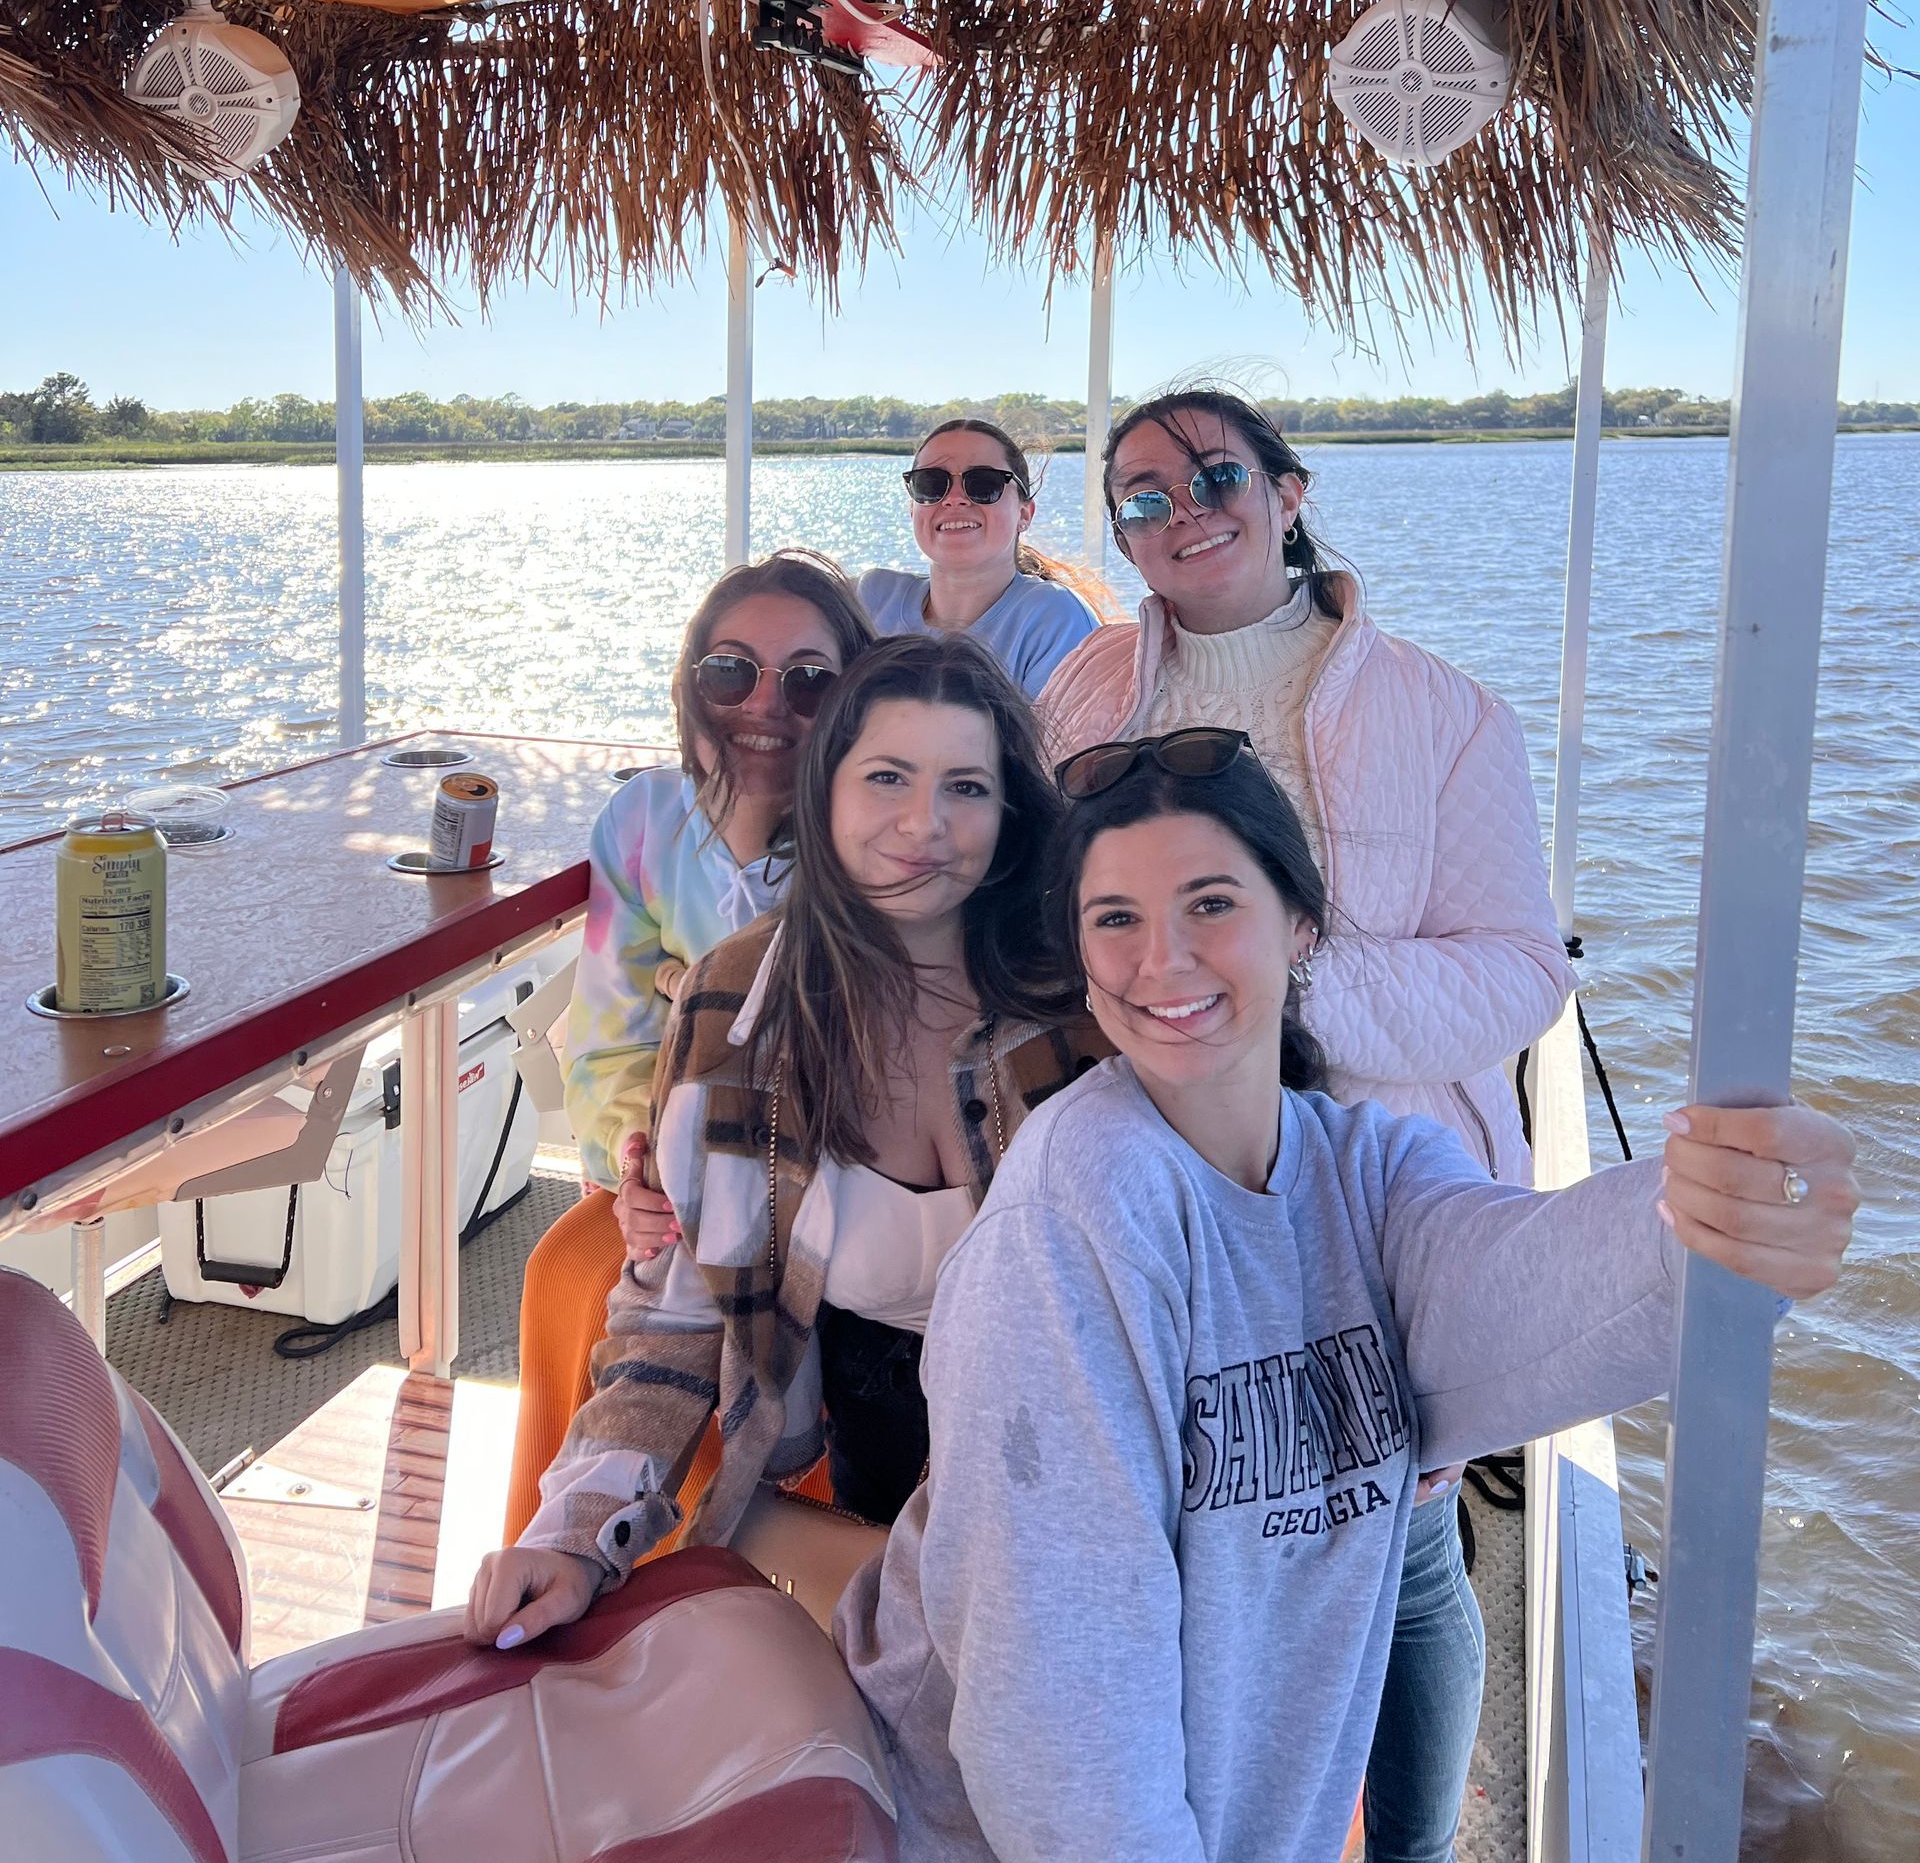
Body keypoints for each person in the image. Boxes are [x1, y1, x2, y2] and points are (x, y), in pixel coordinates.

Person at [837, 735, 1859, 1863]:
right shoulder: (1071, 1220)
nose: (1161, 959)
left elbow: (1531, 1297)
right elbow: (1060, 1712)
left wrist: (1714, 1231)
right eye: (1115, 918)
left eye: (1210, 903)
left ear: (1302, 927)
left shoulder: (1365, 1172)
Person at [1037, 385, 1567, 1858]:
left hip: (1371, 1198)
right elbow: (1040, 923)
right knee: (1188, 1530)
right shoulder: (1082, 695)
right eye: (1140, 494)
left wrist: (1276, 987)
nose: (1182, 508)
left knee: (1398, 1545)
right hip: (1151, 1180)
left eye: (1215, 474)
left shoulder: (1445, 712)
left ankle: (1409, 1846)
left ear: (1287, 490)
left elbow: (1519, 971)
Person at [469, 633, 1109, 1647]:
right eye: (888, 776)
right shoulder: (734, 1005)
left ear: (1011, 812)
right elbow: (679, 1310)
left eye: (968, 788)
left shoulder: (1085, 1003)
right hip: (865, 1431)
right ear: (824, 790)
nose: (923, 825)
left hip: (1072, 1464)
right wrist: (576, 1532)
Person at [500, 548, 874, 1542]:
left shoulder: (885, 826)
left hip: (830, 1182)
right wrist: (639, 1171)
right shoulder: (641, 824)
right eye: (730, 670)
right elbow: (610, 1039)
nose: (765, 702)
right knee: (565, 1273)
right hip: (667, 1170)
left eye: (808, 679)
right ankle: (581, 1558)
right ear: (690, 680)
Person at [859, 416, 1101, 695]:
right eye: (931, 484)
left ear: (1024, 514)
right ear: (913, 509)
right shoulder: (872, 597)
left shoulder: (1056, 618)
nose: (954, 498)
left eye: (984, 484)